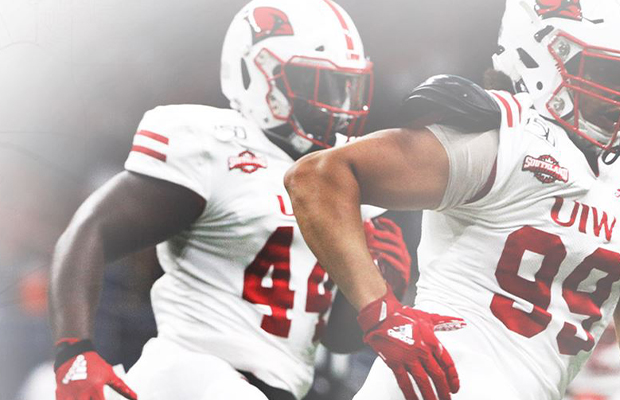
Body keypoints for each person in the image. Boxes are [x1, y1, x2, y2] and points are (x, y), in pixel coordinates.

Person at [285, 0, 620, 399]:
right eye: (608, 73)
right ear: (540, 57)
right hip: (435, 385)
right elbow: (317, 177)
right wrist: (382, 315)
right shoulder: (502, 137)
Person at [47, 1, 411, 399]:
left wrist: (380, 287)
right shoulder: (216, 147)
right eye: (317, 84)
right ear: (257, 76)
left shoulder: (344, 174)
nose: (338, 103)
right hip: (191, 374)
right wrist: (74, 350)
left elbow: (337, 340)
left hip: (277, 387)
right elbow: (92, 231)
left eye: (345, 86)